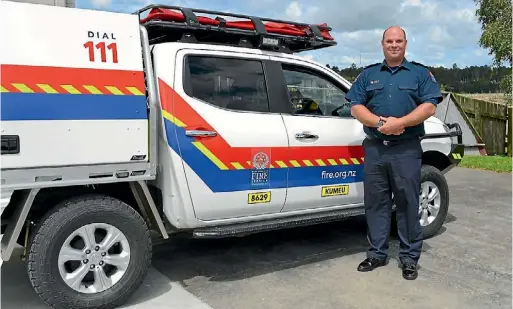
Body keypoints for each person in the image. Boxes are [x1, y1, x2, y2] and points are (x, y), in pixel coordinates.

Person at [345, 26, 442, 280]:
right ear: (382, 44)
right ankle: (377, 253)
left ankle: (409, 258)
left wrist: (401, 123)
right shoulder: (368, 75)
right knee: (376, 204)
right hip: (376, 149)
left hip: (406, 150)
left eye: (399, 41)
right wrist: (380, 124)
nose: (394, 45)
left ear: (406, 44)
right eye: (390, 41)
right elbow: (355, 106)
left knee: (408, 204)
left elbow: (429, 106)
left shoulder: (419, 74)